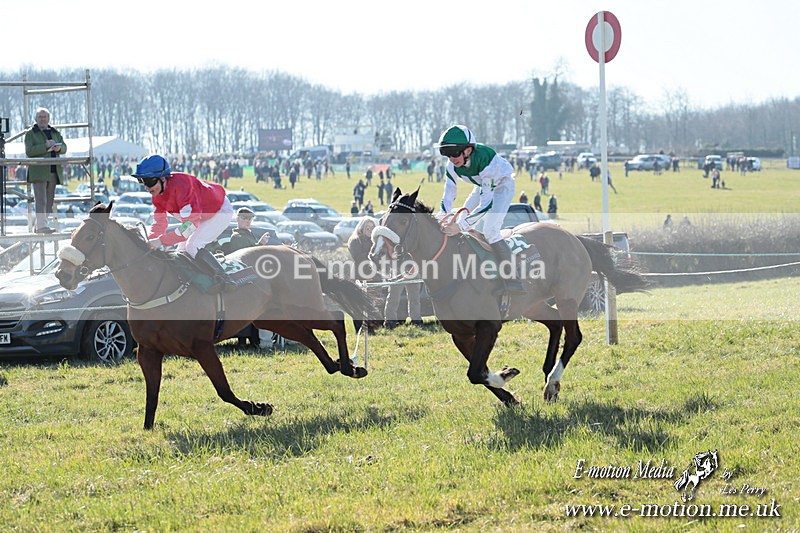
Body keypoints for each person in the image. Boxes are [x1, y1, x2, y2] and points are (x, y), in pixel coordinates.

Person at [437, 125, 525, 294]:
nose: (451, 159)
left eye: (454, 153)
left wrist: (459, 226)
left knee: (490, 230)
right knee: (461, 220)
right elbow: (449, 194)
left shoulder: (485, 160)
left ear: (468, 150)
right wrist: (443, 217)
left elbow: (486, 204)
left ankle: (514, 277)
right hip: (482, 186)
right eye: (447, 154)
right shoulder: (451, 165)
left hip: (502, 186)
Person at [133, 154, 237, 292]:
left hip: (220, 211)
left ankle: (225, 279)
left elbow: (189, 228)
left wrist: (161, 241)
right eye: (142, 181)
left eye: (149, 181)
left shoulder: (182, 188)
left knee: (192, 246)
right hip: (200, 215)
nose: (146, 187)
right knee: (180, 253)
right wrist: (150, 241)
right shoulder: (157, 196)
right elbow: (159, 224)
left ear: (163, 178)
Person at [24, 107, 67, 234]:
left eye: (44, 117)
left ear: (48, 119)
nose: (42, 119)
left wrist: (59, 149)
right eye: (40, 117)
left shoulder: (55, 132)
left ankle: (41, 225)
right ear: (36, 119)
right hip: (39, 171)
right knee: (41, 200)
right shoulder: (30, 133)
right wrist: (45, 146)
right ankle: (41, 226)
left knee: (49, 201)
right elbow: (29, 151)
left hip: (53, 171)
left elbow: (64, 147)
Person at [347, 217, 379, 333]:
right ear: (361, 228)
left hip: (372, 275)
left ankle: (371, 328)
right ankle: (360, 328)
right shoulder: (355, 241)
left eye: (372, 228)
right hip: (358, 275)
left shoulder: (373, 241)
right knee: (359, 303)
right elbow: (359, 258)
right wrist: (372, 254)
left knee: (372, 302)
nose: (370, 230)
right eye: (367, 228)